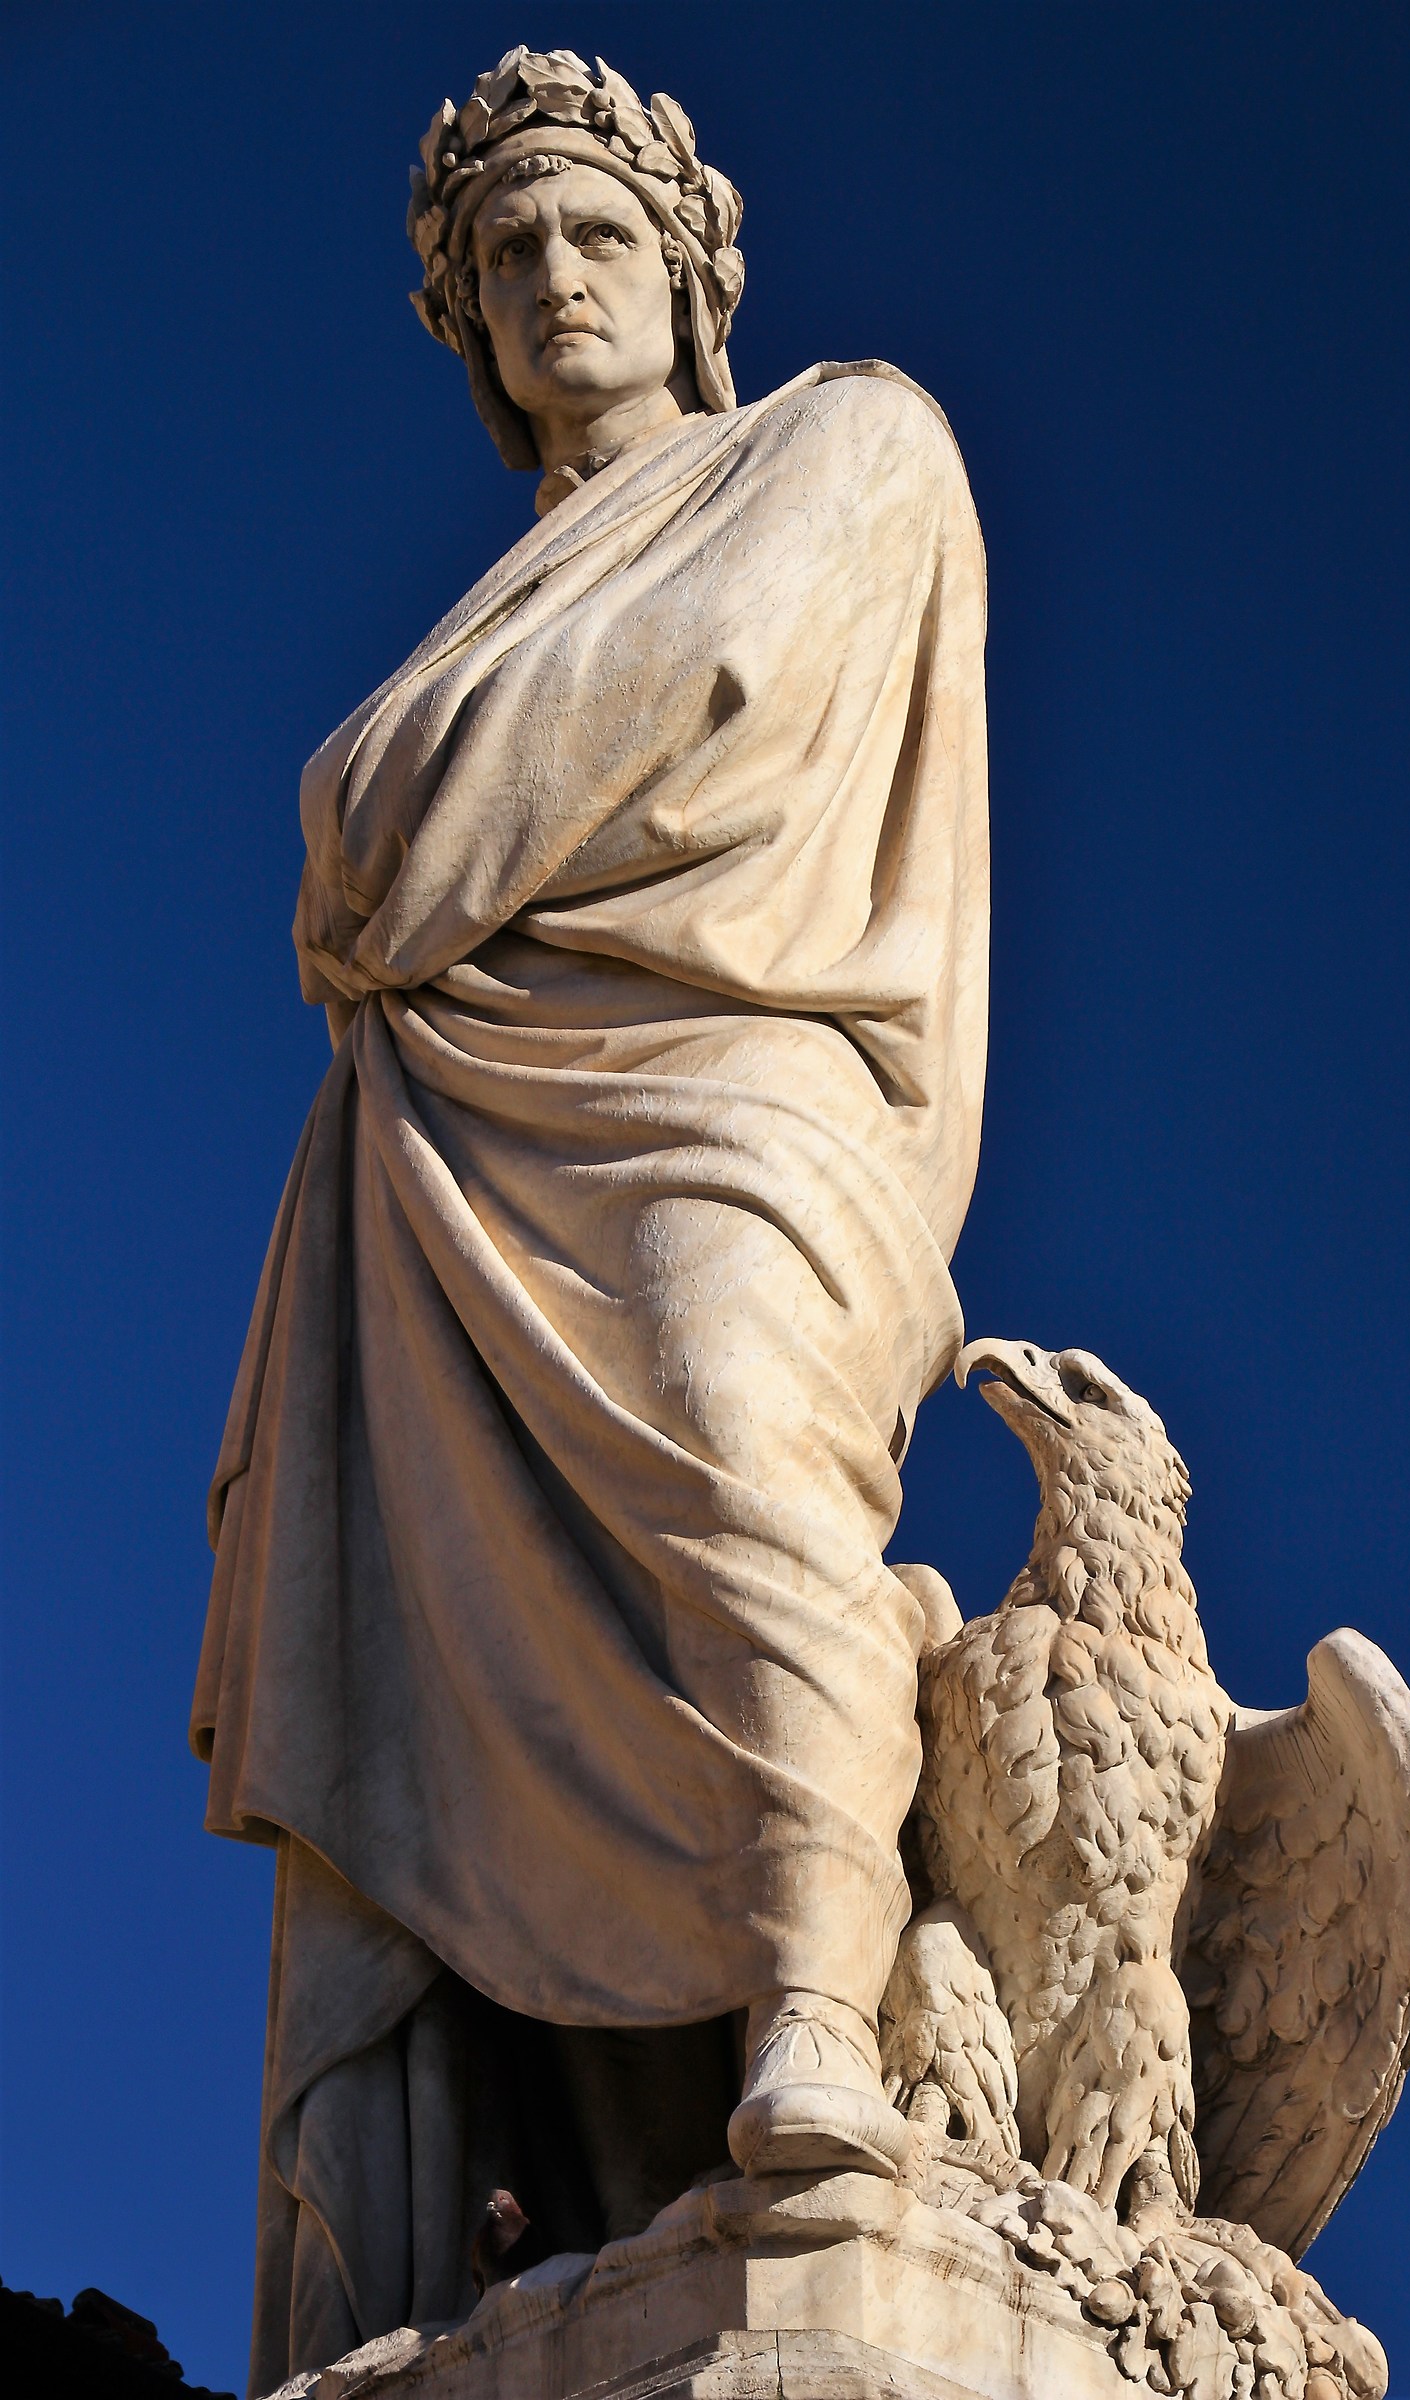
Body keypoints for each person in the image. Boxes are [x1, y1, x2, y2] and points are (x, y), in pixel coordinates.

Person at [190, 47, 988, 2392]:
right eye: (504, 256)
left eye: (591, 234)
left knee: (744, 1455)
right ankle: (498, 2212)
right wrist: (391, 821)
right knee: (427, 1662)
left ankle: (817, 1997)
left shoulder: (847, 443)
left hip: (737, 1086)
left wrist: (395, 822)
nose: (551, 279)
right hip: (438, 1173)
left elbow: (672, 688)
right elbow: (374, 833)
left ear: (685, 269)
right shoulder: (491, 608)